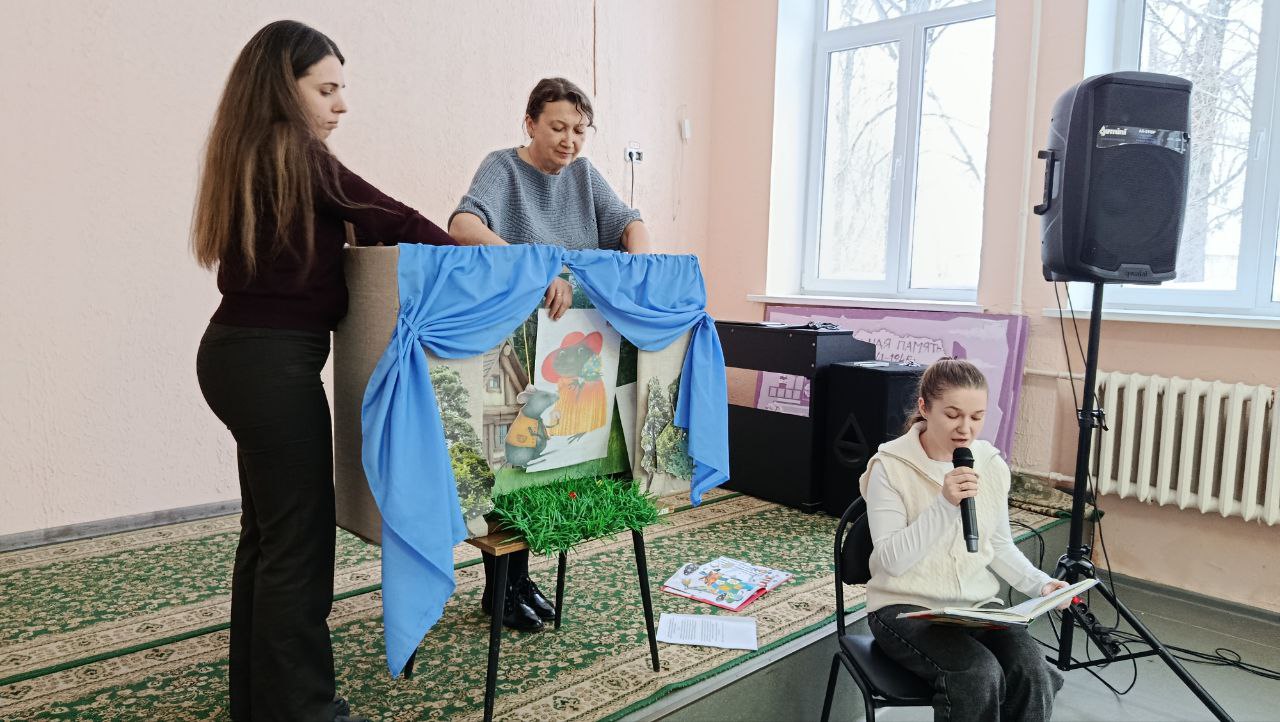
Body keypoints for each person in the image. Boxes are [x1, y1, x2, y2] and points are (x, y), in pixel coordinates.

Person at [192, 20, 456, 722]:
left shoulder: (253, 150)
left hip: (240, 357)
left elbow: (361, 223)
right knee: (298, 547)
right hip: (270, 366)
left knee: (269, 538)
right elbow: (391, 216)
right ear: (283, 87)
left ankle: (262, 704)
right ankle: (306, 710)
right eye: (326, 89)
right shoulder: (292, 150)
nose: (341, 105)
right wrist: (491, 263)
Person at [449, 77, 649, 631]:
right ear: (530, 123)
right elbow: (463, 225)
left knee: (553, 462)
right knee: (513, 459)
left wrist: (637, 267)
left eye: (580, 130)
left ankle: (517, 581)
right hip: (511, 339)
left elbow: (629, 222)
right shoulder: (502, 167)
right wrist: (536, 268)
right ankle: (502, 587)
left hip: (570, 340)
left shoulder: (583, 175)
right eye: (558, 127)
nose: (570, 140)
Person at [858, 358, 1068, 722]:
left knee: (1032, 668)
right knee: (977, 673)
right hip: (903, 607)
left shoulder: (989, 463)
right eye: (953, 415)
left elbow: (998, 545)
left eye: (976, 417)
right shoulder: (890, 466)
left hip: (974, 607)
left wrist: (1042, 585)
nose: (965, 428)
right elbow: (891, 561)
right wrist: (944, 505)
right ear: (924, 407)